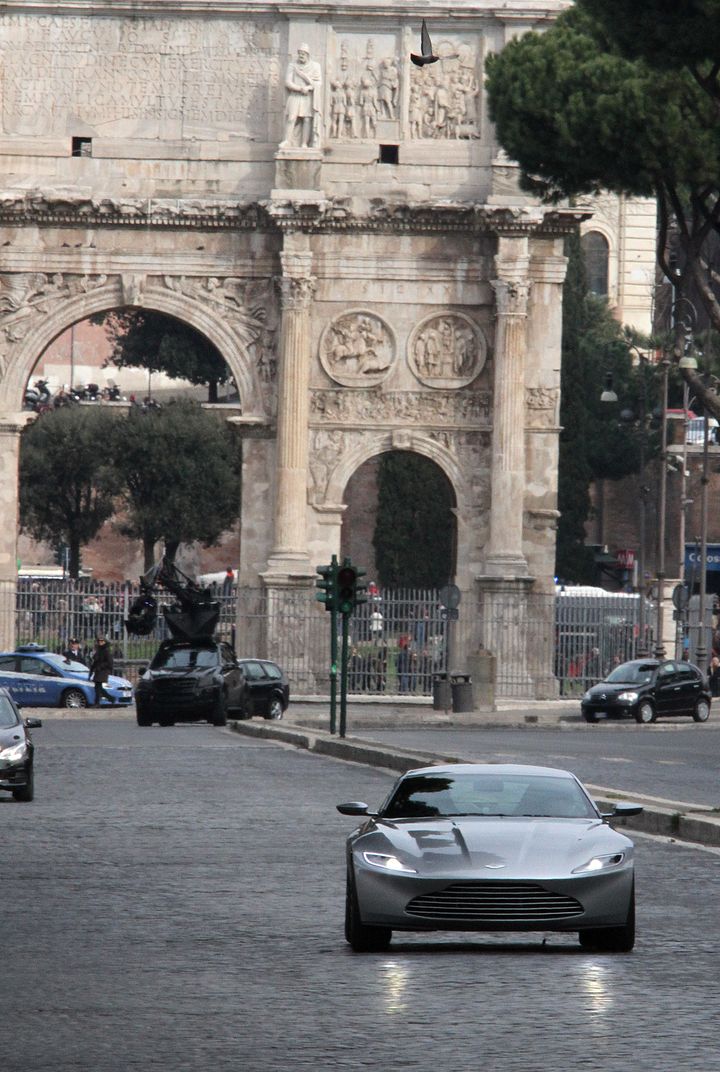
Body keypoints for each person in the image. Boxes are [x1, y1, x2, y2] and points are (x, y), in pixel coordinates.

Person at [280, 44, 323, 149]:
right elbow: (288, 82)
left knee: (307, 119)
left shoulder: (315, 66)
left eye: (303, 54)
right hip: (295, 95)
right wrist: (299, 88)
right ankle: (287, 140)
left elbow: (318, 83)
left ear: (308, 55)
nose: (301, 55)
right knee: (291, 118)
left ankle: (304, 143)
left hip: (307, 96)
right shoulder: (292, 66)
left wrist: (307, 88)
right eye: (299, 53)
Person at [89, 635, 114, 707]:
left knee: (98, 687)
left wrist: (100, 667)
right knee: (98, 687)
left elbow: (109, 662)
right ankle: (110, 698)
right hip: (98, 670)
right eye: (99, 641)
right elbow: (95, 661)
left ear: (104, 642)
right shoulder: (98, 650)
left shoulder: (106, 650)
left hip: (103, 671)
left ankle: (97, 703)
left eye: (102, 641)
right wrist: (91, 670)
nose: (100, 642)